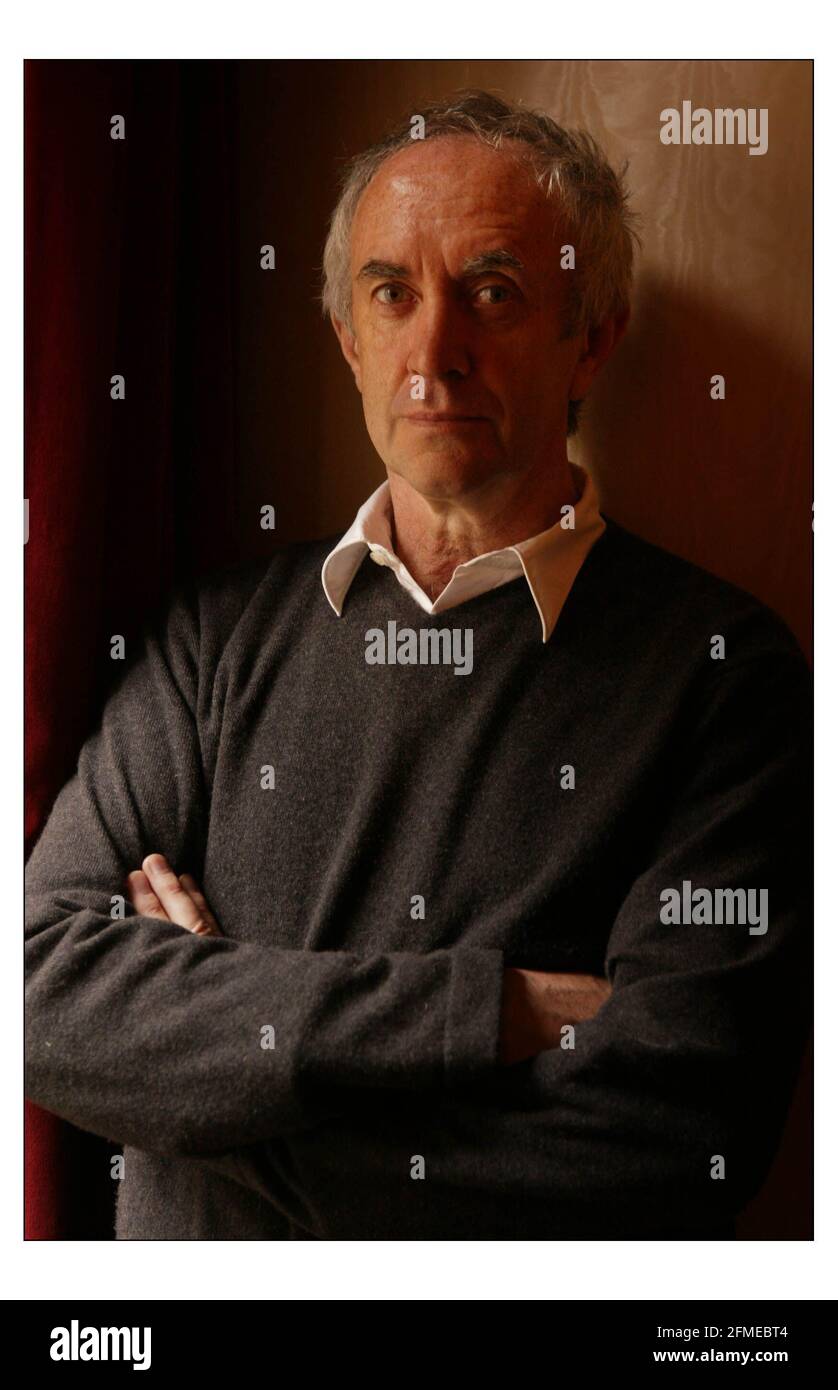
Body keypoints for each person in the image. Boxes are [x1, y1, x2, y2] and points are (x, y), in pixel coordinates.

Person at [25, 90, 811, 1240]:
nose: (433, 353)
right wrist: (481, 1015)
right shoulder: (208, 643)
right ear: (348, 336)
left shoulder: (719, 669)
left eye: (493, 292)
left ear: (590, 336)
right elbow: (40, 999)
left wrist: (196, 1093)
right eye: (390, 292)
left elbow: (681, 1133)